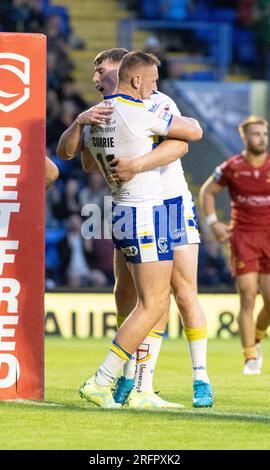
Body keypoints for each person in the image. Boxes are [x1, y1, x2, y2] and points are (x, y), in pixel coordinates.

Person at [57, 48, 213, 409]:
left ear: (122, 70)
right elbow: (192, 133)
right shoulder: (123, 111)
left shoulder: (144, 105)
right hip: (145, 211)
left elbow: (87, 162)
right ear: (137, 77)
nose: (96, 77)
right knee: (147, 301)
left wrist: (134, 161)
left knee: (171, 294)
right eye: (94, 70)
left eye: (101, 69)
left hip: (156, 204)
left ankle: (157, 383)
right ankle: (109, 379)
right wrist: (86, 124)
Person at [199, 115, 270, 375]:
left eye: (264, 134)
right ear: (244, 137)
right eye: (256, 134)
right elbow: (207, 191)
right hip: (243, 237)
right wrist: (213, 222)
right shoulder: (232, 167)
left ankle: (257, 336)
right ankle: (250, 357)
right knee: (248, 297)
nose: (261, 138)